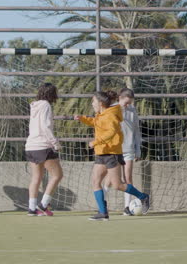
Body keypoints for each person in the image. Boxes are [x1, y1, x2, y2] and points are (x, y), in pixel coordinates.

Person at [75, 91, 149, 221]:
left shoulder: (111, 115)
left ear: (101, 103)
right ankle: (103, 213)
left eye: (93, 101)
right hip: (102, 152)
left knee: (117, 185)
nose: (92, 104)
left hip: (112, 154)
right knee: (95, 181)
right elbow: (96, 123)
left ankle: (143, 197)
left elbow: (111, 132)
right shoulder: (101, 114)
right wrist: (82, 118)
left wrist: (96, 142)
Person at [25, 83, 64, 216]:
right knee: (57, 175)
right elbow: (45, 126)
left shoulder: (34, 106)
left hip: (30, 145)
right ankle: (43, 204)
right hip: (43, 145)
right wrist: (55, 143)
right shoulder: (46, 105)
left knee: (36, 177)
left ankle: (32, 208)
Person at [118, 88, 142, 216]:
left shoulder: (133, 111)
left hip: (128, 149)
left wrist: (138, 149)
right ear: (120, 98)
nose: (127, 105)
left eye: (130, 103)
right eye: (126, 103)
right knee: (111, 179)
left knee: (127, 177)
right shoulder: (113, 109)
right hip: (115, 149)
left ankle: (127, 207)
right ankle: (102, 206)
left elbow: (136, 131)